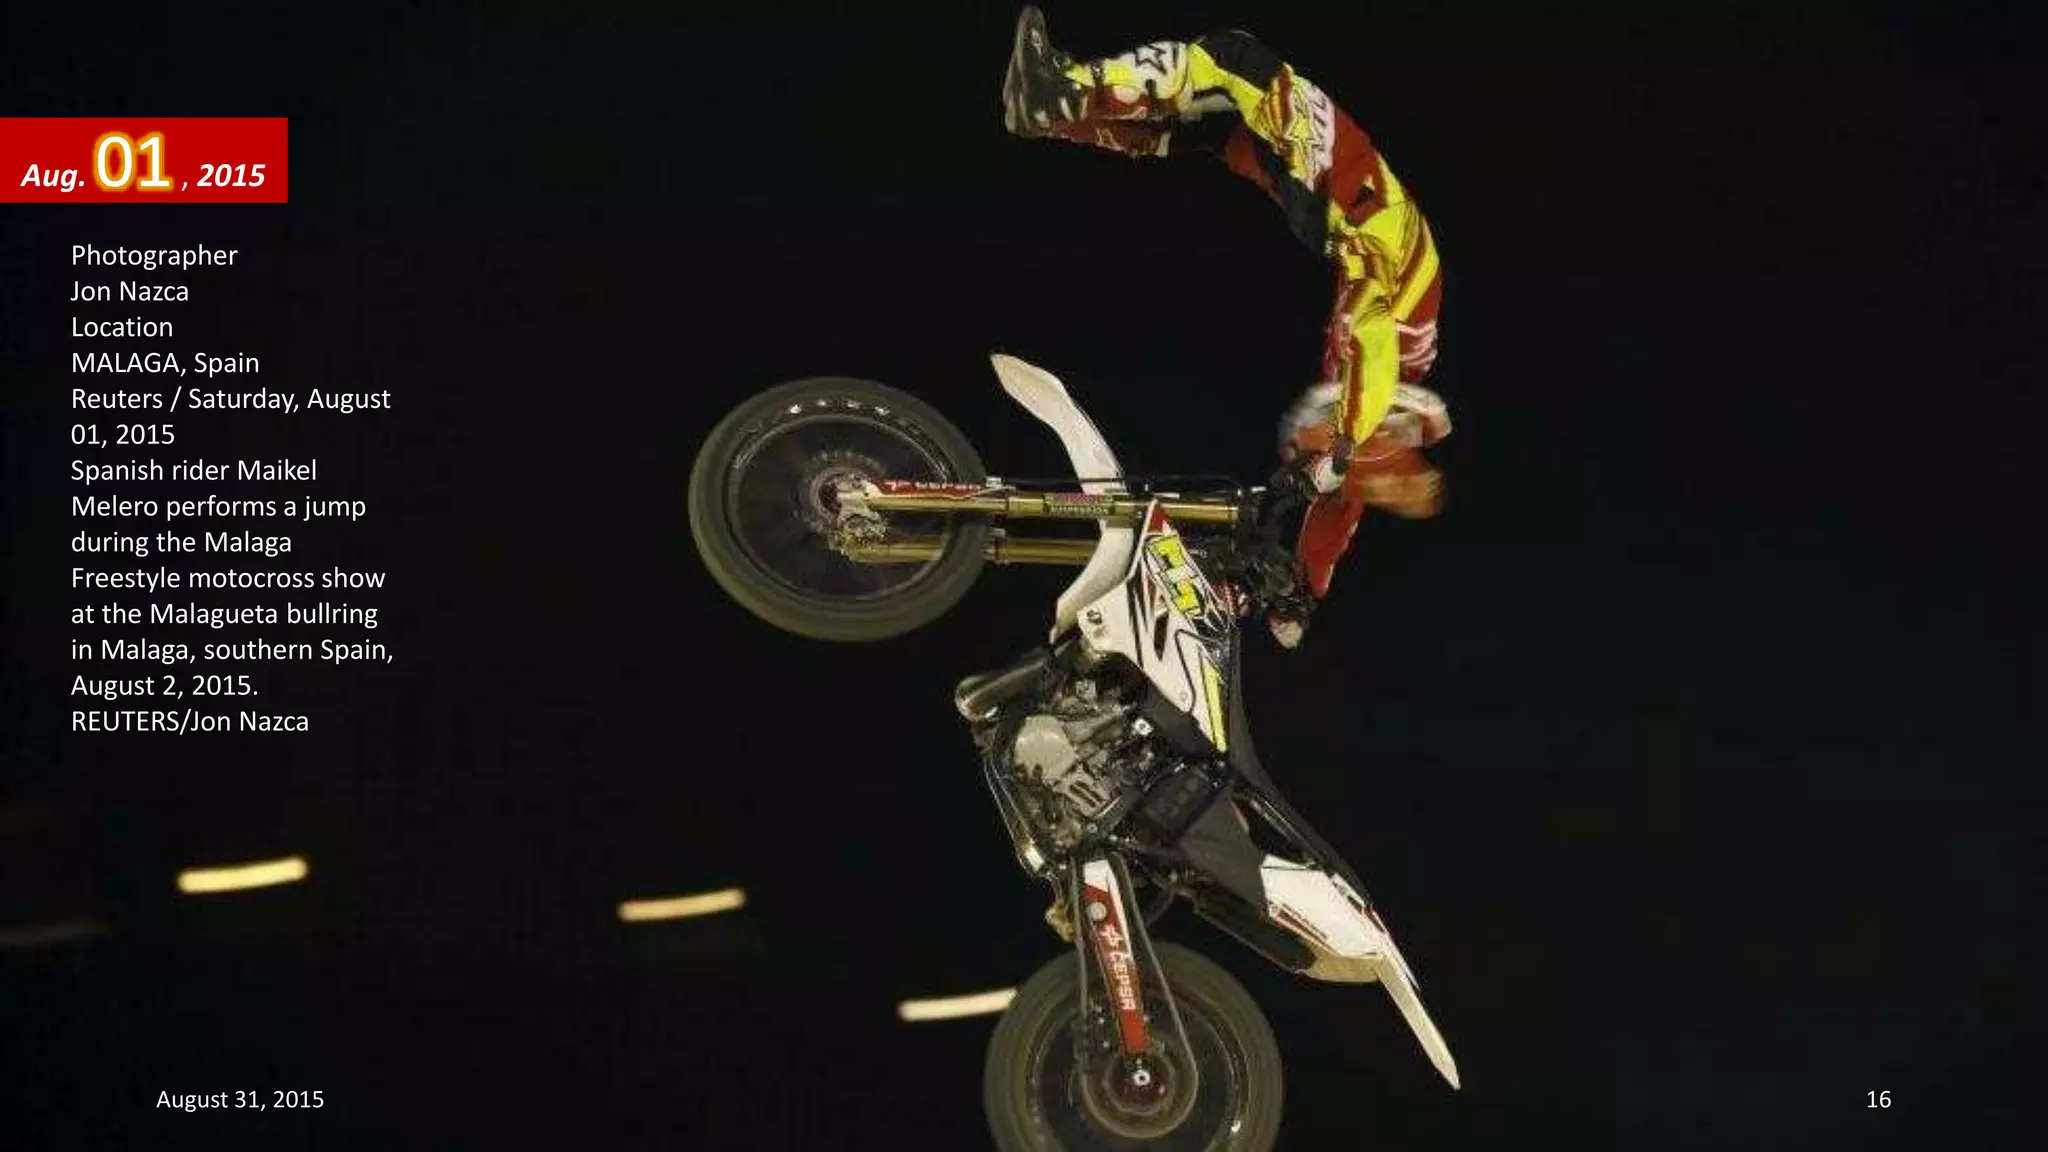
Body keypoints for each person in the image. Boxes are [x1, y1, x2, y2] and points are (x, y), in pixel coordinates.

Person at [1001, 6, 1452, 647]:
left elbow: (1339, 505)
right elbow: (1355, 470)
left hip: (1341, 197)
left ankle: (1069, 92)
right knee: (1218, 127)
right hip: (1345, 205)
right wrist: (1303, 586)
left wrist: (1305, 577)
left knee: (1234, 60)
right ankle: (1064, 115)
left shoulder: (1366, 379)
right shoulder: (1388, 384)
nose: (1302, 435)